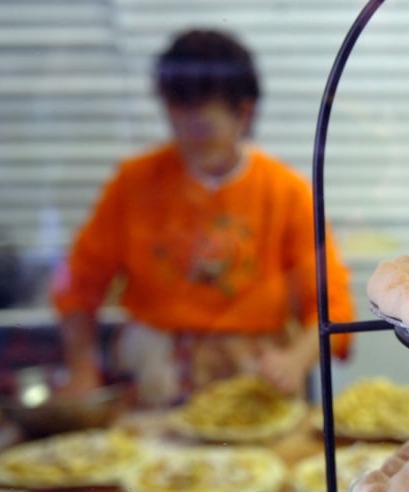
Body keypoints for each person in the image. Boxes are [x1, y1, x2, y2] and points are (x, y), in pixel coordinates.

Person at [50, 28, 355, 406]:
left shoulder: (286, 191)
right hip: (154, 378)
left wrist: (296, 360)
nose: (186, 139)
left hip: (257, 382)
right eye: (176, 121)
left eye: (202, 127)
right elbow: (76, 286)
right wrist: (82, 367)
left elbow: (332, 307)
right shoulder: (133, 183)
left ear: (244, 113)